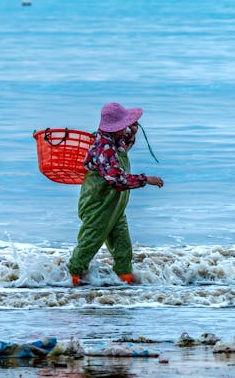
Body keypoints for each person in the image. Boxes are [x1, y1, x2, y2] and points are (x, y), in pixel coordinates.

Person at [68, 102, 164, 286]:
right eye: (124, 125)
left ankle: (125, 281)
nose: (126, 128)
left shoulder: (114, 141)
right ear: (115, 127)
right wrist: (146, 179)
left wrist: (132, 133)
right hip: (98, 206)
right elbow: (117, 180)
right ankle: (70, 281)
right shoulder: (103, 148)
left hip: (114, 207)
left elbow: (122, 147)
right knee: (89, 245)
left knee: (123, 247)